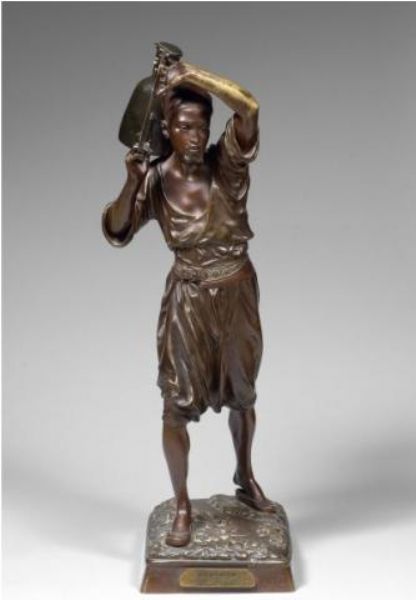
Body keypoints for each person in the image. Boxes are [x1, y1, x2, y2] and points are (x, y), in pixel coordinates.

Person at [102, 61, 275, 547]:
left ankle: (244, 475)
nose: (196, 137)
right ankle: (181, 503)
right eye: (184, 127)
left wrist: (190, 74)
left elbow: (249, 106)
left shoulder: (229, 166)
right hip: (188, 299)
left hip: (236, 293)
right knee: (175, 406)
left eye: (202, 127)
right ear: (167, 131)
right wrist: (132, 182)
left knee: (244, 394)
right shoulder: (157, 179)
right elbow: (117, 230)